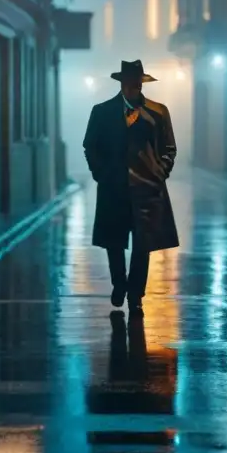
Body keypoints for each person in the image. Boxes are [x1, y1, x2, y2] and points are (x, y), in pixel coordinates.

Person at [83, 60, 179, 314]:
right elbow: (90, 146)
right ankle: (119, 284)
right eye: (129, 85)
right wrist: (100, 173)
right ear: (122, 85)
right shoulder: (102, 111)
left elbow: (169, 148)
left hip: (147, 188)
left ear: (141, 84)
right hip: (113, 187)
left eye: (136, 85)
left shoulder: (158, 112)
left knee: (142, 243)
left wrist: (160, 172)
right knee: (114, 241)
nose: (133, 89)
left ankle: (136, 293)